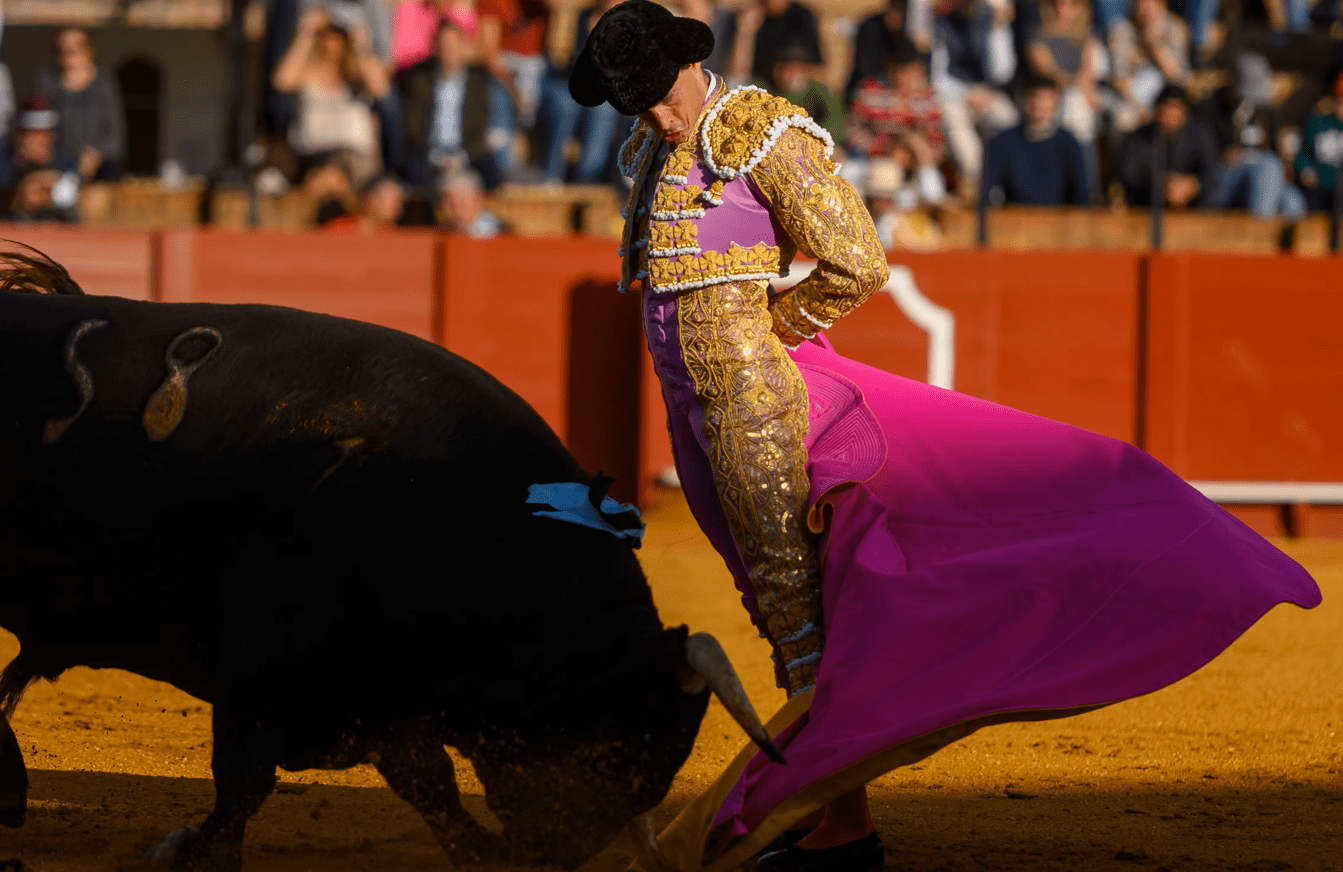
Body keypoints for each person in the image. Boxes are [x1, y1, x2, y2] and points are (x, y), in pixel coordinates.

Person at [569, 3, 1319, 871]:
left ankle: (840, 827)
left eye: (659, 95)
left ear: (688, 64)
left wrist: (768, 340)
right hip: (691, 411)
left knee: (798, 615)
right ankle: (824, 808)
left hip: (755, 408)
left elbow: (857, 259)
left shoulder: (761, 132)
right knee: (773, 609)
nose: (656, 115)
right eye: (635, 104)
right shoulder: (654, 149)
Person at [272, 5, 390, 190]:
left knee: (334, 178)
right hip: (314, 155)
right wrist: (306, 33)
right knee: (327, 178)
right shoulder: (308, 73)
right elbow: (282, 80)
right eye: (326, 34)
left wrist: (361, 44)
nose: (332, 41)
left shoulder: (355, 77)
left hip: (354, 161)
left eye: (338, 35)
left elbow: (380, 88)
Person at [399, 11, 511, 191]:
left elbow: (479, 128)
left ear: (463, 47)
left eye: (453, 46)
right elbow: (414, 130)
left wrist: (461, 158)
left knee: (493, 177)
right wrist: (438, 158)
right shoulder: (419, 81)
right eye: (444, 46)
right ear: (436, 48)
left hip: (466, 152)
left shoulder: (479, 83)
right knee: (414, 176)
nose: (449, 52)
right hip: (430, 154)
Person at [1195, 52, 1305, 224]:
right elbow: (1202, 156)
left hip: (1261, 180)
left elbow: (1274, 152)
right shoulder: (1210, 110)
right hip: (1222, 181)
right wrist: (1224, 155)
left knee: (1292, 201)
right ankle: (1258, 233)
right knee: (1268, 166)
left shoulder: (1265, 112)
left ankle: (1285, 240)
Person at [537, 0, 629, 183]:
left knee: (604, 109)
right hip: (567, 82)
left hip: (605, 90)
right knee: (565, 107)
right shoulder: (577, 17)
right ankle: (552, 176)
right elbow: (559, 60)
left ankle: (587, 177)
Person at [930, 0, 1019, 187]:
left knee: (1010, 120)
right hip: (954, 96)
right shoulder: (942, 23)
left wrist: (998, 28)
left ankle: (1009, 180)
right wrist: (966, 93)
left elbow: (1002, 73)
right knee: (957, 127)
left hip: (988, 93)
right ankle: (981, 183)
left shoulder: (991, 21)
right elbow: (938, 76)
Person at [30, 27, 125, 182]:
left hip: (97, 172)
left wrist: (96, 153)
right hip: (53, 168)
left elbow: (113, 135)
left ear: (89, 51)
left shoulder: (104, 83)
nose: (67, 57)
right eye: (60, 51)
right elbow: (34, 126)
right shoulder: (44, 80)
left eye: (74, 50)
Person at [981, 75, 1090, 206]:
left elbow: (1081, 195)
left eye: (1045, 98)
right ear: (1023, 100)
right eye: (1033, 96)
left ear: (1055, 102)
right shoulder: (1003, 142)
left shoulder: (1068, 144)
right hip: (1015, 215)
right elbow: (988, 191)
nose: (1037, 103)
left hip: (1058, 216)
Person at [1118, 83, 1218, 209]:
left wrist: (1193, 186)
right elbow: (1128, 177)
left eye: (1177, 108)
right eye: (1167, 107)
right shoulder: (1136, 139)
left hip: (1195, 209)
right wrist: (1161, 185)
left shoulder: (1200, 134)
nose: (1171, 115)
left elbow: (1212, 172)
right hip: (1146, 207)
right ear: (1157, 110)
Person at [1106, 0, 1189, 133]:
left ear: (1161, 5)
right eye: (1140, 4)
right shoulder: (1121, 28)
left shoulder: (1175, 26)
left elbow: (1178, 78)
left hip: (1165, 96)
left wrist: (1154, 45)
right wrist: (1141, 110)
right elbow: (1119, 79)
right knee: (1123, 118)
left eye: (1149, 4)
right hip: (1132, 98)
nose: (1144, 10)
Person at [846, 0, 921, 101]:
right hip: (869, 90)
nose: (896, 17)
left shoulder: (906, 30)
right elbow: (865, 71)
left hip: (897, 93)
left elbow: (911, 64)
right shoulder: (870, 27)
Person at [1294, 70, 1343, 214]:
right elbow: (1302, 155)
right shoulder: (1317, 123)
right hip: (1316, 188)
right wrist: (1306, 171)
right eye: (1339, 99)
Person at [321, 170, 405, 231]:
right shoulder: (339, 229)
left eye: (399, 202)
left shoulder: (396, 236)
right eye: (394, 201)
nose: (399, 208)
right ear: (371, 199)